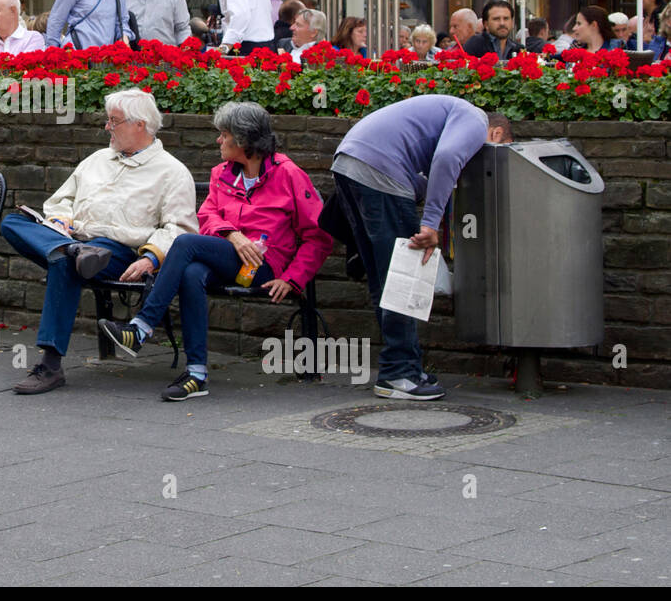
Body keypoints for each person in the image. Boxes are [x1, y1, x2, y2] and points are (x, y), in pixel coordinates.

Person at [100, 103, 332, 401]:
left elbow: (318, 236)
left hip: (264, 266)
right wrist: (233, 235)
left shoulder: (288, 174)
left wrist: (291, 279)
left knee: (185, 243)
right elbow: (207, 216)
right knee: (192, 273)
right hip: (229, 257)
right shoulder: (221, 173)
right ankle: (196, 374)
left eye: (224, 134)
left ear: (245, 139)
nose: (218, 141)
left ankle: (141, 328)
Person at [0, 89, 198, 394]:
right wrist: (59, 219)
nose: (107, 127)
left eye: (113, 121)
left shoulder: (172, 172)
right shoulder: (97, 159)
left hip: (118, 252)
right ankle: (71, 250)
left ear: (139, 125)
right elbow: (61, 200)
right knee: (13, 222)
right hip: (71, 239)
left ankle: (51, 366)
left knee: (63, 263)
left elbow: (180, 227)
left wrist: (151, 257)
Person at [332, 95, 513, 400]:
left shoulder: (447, 113)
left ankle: (406, 366)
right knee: (405, 278)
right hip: (380, 171)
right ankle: (398, 373)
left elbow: (422, 176)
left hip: (349, 161)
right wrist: (430, 224)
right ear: (497, 135)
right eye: (501, 147)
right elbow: (446, 159)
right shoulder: (475, 119)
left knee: (385, 278)